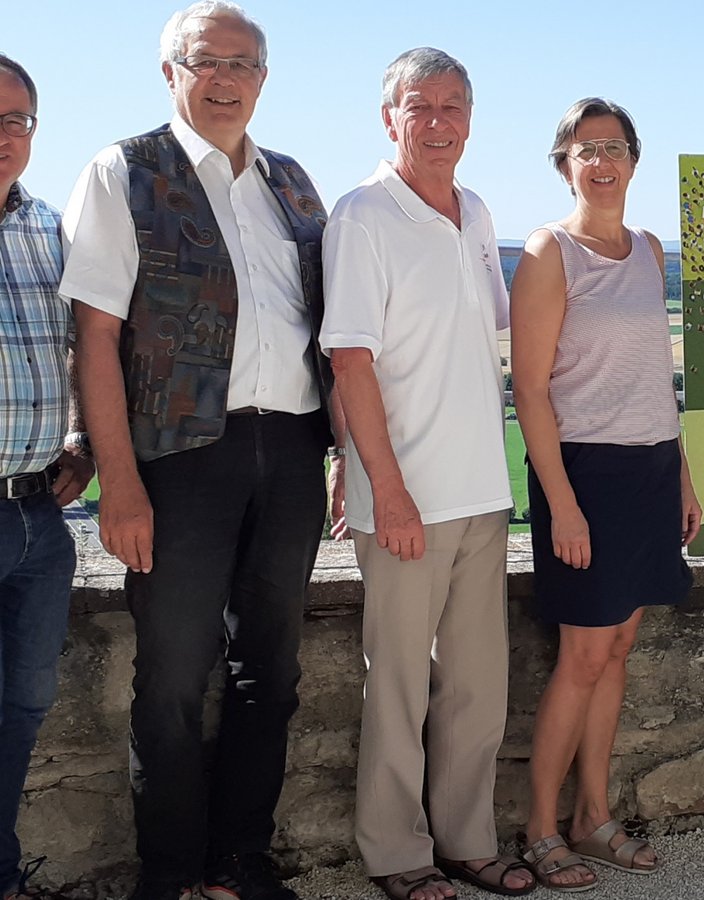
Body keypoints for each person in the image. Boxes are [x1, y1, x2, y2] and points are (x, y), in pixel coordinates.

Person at [59, 4, 331, 897]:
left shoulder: (291, 183)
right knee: (173, 677)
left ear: (263, 78)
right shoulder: (124, 171)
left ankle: (237, 864)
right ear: (169, 72)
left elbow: (323, 331)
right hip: (178, 461)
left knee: (272, 671)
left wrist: (335, 457)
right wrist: (121, 489)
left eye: (244, 64)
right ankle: (171, 874)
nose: (226, 79)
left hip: (289, 447)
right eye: (206, 61)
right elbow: (95, 338)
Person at [320, 48, 533, 900]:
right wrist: (385, 487)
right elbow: (350, 360)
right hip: (405, 500)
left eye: (453, 107)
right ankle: (396, 853)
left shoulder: (475, 212)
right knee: (400, 690)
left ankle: (467, 840)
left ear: (471, 120)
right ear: (389, 118)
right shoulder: (362, 216)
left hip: (484, 490)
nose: (438, 123)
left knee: (479, 689)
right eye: (421, 107)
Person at [511, 96, 697, 891]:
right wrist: (564, 503)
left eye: (615, 146)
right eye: (586, 148)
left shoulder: (651, 249)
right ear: (565, 163)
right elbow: (529, 390)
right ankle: (541, 831)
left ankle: (593, 817)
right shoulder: (550, 252)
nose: (602, 160)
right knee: (582, 656)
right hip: (585, 473)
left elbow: (656, 377)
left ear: (634, 159)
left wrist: (682, 473)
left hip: (651, 469)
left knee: (617, 649)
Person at [0, 53, 94, 900]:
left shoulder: (49, 229)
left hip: (38, 518)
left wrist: (80, 442)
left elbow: (79, 357)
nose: (3, 136)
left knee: (22, 711)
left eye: (16, 120)